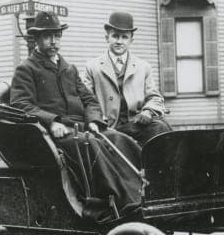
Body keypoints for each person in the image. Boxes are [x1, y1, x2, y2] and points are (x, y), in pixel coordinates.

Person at [9, 11, 142, 220]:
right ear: (37, 39)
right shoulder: (27, 69)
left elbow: (89, 100)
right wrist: (51, 122)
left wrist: (94, 121)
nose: (53, 41)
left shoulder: (68, 69)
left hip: (82, 126)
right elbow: (21, 104)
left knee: (119, 138)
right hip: (54, 134)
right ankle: (118, 204)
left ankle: (140, 196)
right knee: (90, 145)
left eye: (57, 36)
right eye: (47, 36)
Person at [82, 11, 172, 147]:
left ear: (131, 40)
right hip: (107, 127)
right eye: (115, 36)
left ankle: (156, 167)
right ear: (107, 38)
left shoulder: (143, 67)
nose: (119, 41)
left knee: (161, 128)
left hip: (136, 125)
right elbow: (86, 100)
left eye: (124, 37)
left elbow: (155, 98)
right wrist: (97, 120)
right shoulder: (92, 67)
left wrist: (147, 111)